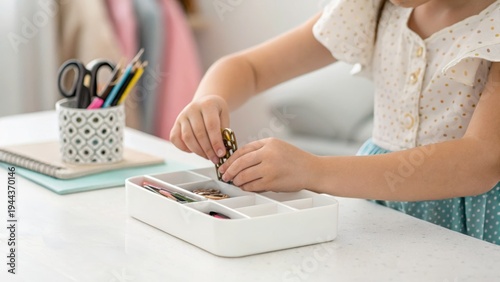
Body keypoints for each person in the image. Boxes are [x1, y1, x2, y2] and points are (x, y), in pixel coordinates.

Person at [170, 0, 500, 245]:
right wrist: (209, 99)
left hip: (474, 219)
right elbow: (251, 69)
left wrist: (313, 170)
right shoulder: (375, 7)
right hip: (378, 202)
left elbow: (479, 162)